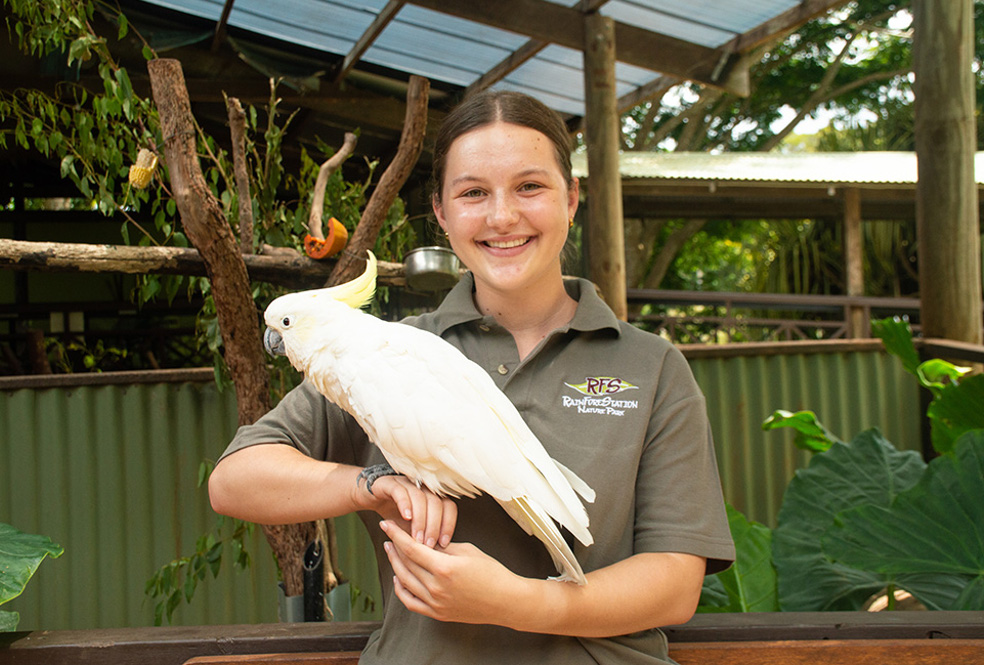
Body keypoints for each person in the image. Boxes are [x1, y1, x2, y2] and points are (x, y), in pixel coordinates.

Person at [208, 90, 735, 664]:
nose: (502, 216)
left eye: (530, 187)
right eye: (473, 193)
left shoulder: (651, 367)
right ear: (440, 212)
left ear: (572, 199)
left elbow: (677, 585)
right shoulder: (379, 353)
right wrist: (374, 484)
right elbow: (233, 481)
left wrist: (516, 602)